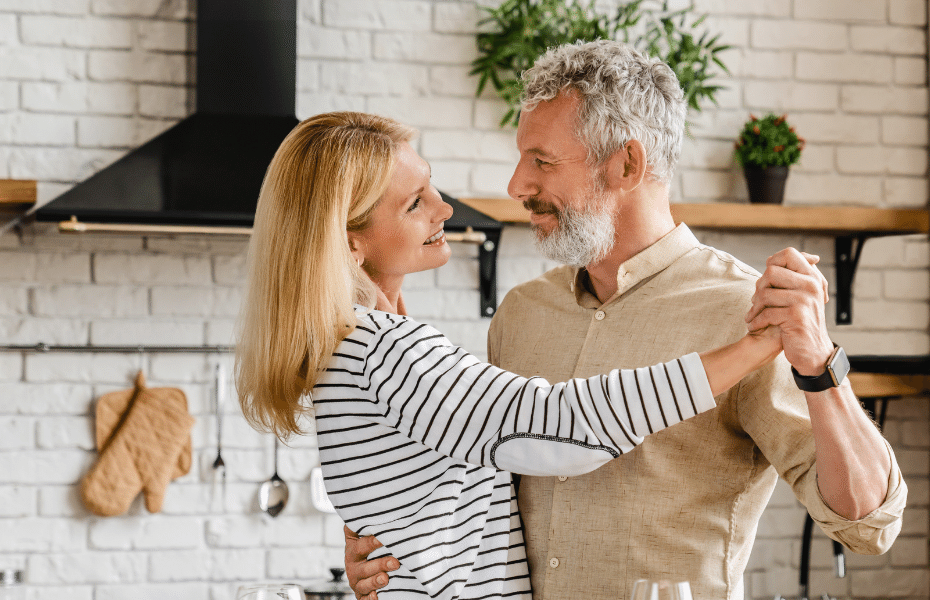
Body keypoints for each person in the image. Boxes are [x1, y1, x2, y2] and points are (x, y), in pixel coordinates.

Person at [346, 40, 908, 600]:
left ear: (626, 165)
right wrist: (388, 554)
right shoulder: (521, 314)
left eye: (542, 161)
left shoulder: (748, 313)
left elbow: (867, 523)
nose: (516, 185)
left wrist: (819, 366)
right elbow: (479, 499)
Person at [235, 111, 793, 600]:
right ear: (352, 241)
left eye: (430, 187)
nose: (444, 208)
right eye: (414, 203)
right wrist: (755, 345)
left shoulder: (353, 349)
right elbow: (562, 429)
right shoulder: (386, 350)